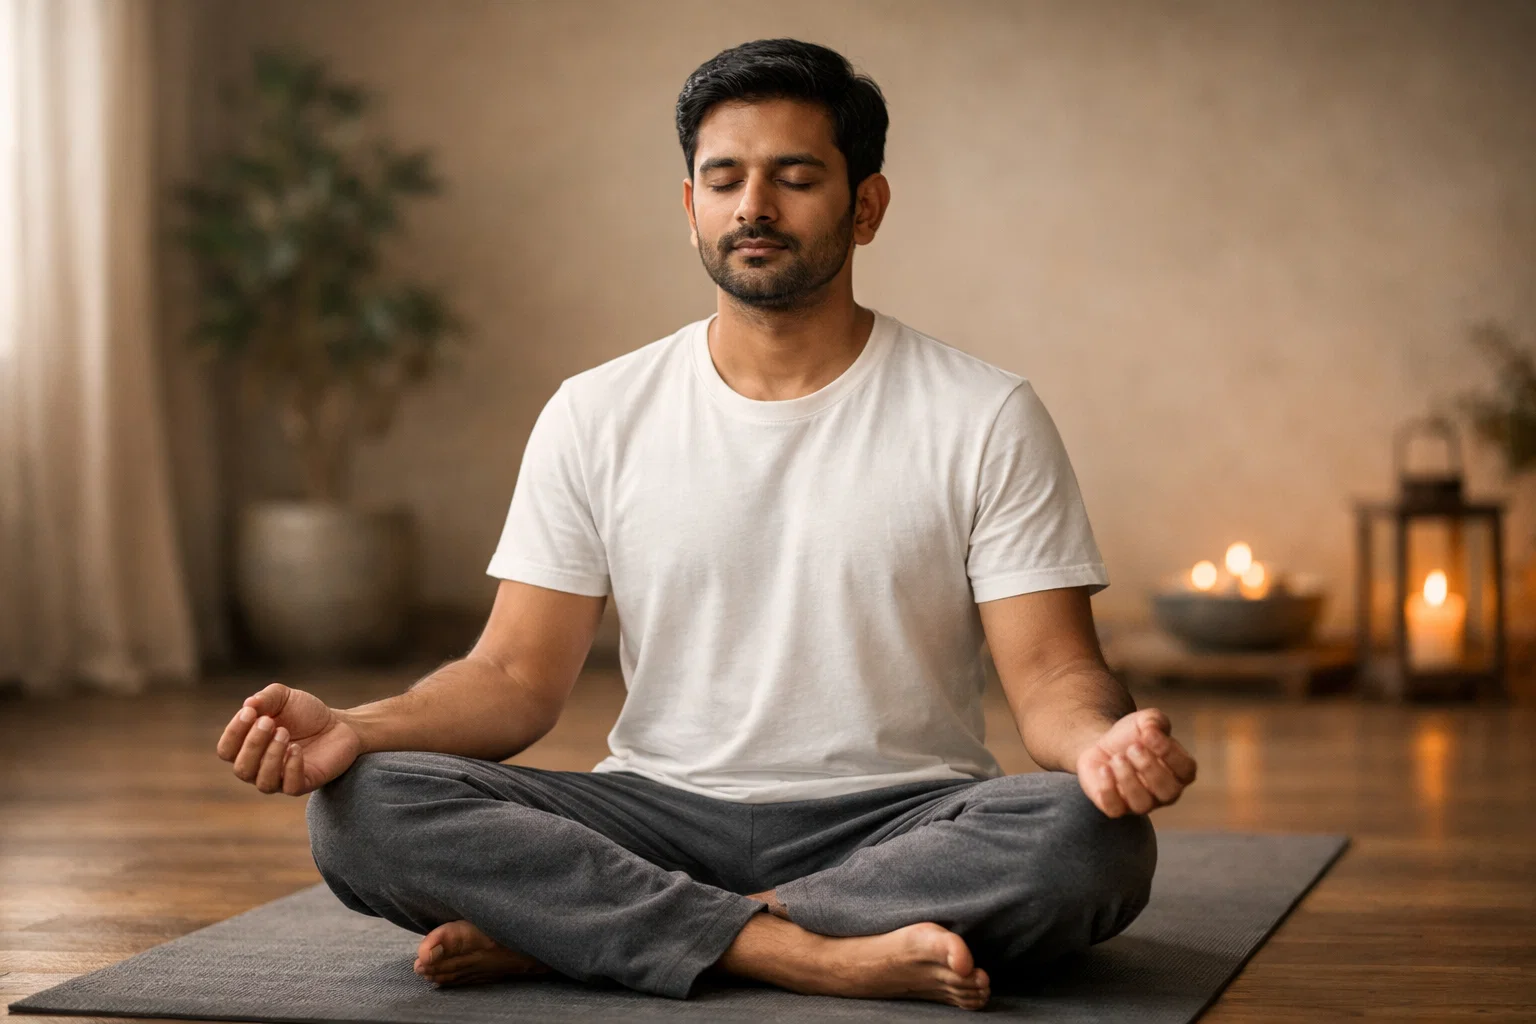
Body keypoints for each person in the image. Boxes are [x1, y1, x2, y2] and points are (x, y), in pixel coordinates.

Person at [215, 38, 1197, 1012]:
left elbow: (1051, 676)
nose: (752, 207)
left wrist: (1100, 746)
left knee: (1088, 835)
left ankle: (588, 932)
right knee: (365, 809)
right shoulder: (597, 412)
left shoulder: (983, 413)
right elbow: (513, 679)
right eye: (722, 179)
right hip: (656, 813)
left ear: (867, 206)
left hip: (899, 818)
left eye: (794, 177)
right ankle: (803, 948)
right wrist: (352, 725)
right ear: (691, 209)